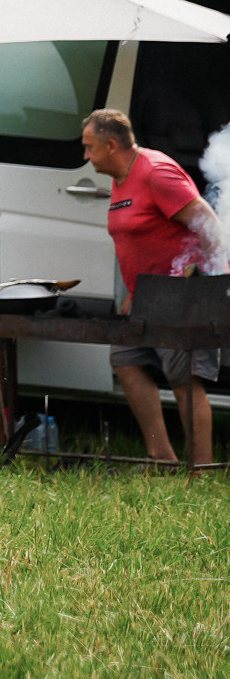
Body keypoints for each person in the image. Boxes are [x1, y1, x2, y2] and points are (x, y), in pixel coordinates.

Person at [83, 109, 224, 465]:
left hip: (181, 295)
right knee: (126, 361)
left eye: (89, 148)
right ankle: (161, 456)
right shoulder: (120, 177)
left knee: (184, 382)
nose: (85, 157)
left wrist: (201, 283)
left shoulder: (157, 172)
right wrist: (134, 291)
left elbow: (208, 225)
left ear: (111, 145)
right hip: (145, 297)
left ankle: (201, 470)